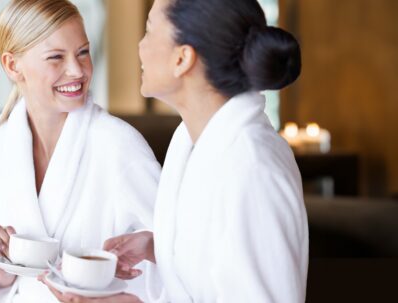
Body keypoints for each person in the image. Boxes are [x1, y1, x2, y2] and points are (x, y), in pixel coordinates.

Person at [43, 0, 308, 302]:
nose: (140, 47)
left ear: (182, 58)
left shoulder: (251, 167)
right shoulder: (191, 141)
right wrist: (160, 249)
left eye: (149, 30)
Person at [0, 0, 161, 302]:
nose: (77, 70)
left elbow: (175, 254)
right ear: (12, 65)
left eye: (83, 52)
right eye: (56, 57)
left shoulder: (118, 143)